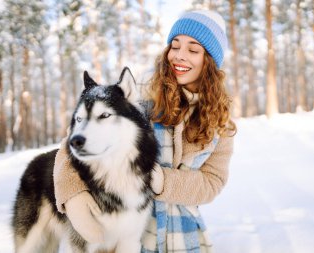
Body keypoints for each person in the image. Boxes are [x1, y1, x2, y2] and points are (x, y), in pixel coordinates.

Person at [53, 9, 236, 253]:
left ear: (210, 62)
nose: (179, 56)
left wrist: (162, 181)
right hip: (126, 231)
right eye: (175, 46)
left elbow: (212, 182)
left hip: (184, 236)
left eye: (193, 50)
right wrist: (72, 194)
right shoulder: (138, 96)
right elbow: (73, 143)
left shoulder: (219, 121)